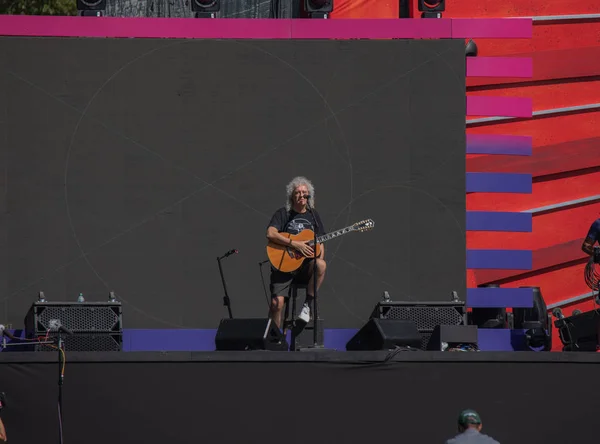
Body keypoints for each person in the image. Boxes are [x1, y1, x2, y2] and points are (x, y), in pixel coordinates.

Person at [266, 176, 326, 329]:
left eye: (304, 192)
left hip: (305, 268)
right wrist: (295, 244)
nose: (301, 195)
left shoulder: (313, 216)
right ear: (292, 196)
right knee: (276, 304)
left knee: (321, 264)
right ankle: (275, 339)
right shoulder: (283, 213)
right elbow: (271, 233)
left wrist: (318, 259)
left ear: (309, 196)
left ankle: (307, 305)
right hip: (284, 266)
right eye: (297, 192)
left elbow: (321, 242)